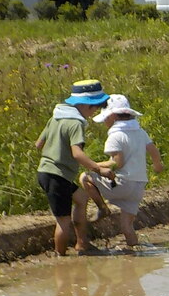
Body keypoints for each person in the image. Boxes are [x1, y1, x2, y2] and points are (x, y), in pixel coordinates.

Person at [34, 80, 114, 255]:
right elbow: (77, 153)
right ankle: (60, 258)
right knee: (63, 221)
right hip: (57, 176)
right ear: (86, 105)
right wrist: (99, 169)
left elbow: (39, 144)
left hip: (47, 172)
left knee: (81, 198)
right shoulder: (75, 123)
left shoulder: (56, 117)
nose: (94, 113)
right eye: (94, 108)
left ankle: (82, 243)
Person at [77, 94, 165, 248]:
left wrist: (93, 165)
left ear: (113, 117)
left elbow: (117, 163)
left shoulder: (115, 136)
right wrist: (157, 165)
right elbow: (153, 150)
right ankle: (134, 253)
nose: (104, 121)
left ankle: (102, 208)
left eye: (105, 118)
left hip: (123, 184)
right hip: (138, 186)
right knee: (127, 227)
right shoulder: (140, 132)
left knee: (85, 177)